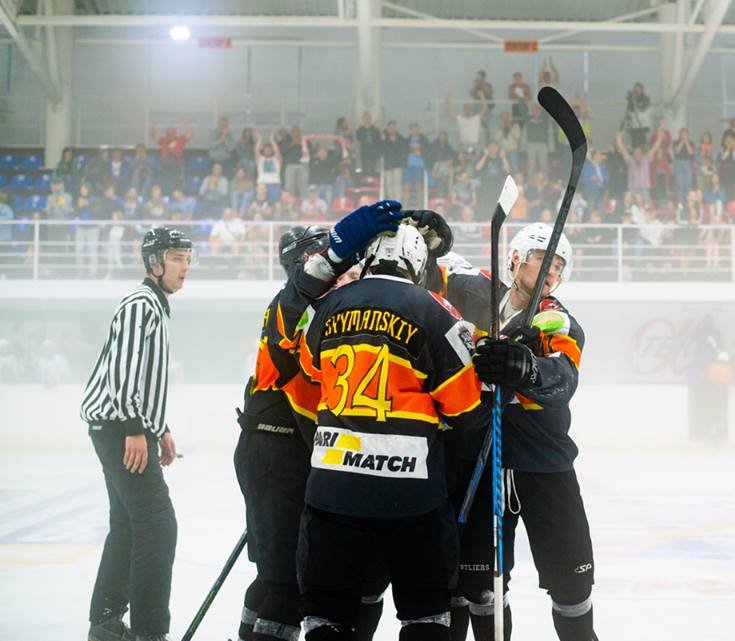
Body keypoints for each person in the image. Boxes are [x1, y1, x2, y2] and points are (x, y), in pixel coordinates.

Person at [297, 223, 488, 641]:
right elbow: (466, 409)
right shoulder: (436, 311)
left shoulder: (326, 305)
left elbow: (309, 369)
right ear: (417, 262)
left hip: (332, 488)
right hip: (411, 496)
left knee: (326, 618)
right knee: (425, 617)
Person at [233, 201, 409, 641]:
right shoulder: (293, 305)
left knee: (282, 576)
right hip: (277, 453)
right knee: (285, 581)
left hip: (298, 453)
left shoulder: (336, 309)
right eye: (329, 261)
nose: (345, 271)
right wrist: (332, 257)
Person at [437, 223, 596, 641]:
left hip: (544, 463)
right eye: (544, 260)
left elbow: (563, 378)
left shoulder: (556, 320)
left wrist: (527, 368)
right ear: (515, 258)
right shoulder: (477, 290)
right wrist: (427, 238)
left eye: (558, 265)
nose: (551, 271)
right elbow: (430, 270)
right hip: (482, 459)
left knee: (572, 584)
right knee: (479, 586)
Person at [80, 227, 194, 641]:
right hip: (118, 428)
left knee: (129, 523)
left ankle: (106, 622)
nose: (185, 267)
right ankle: (149, 632)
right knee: (157, 524)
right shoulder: (140, 304)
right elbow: (123, 371)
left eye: (187, 259)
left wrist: (158, 427)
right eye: (177, 258)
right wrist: (134, 428)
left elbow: (143, 377)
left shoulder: (155, 305)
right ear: (154, 263)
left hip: (122, 426)